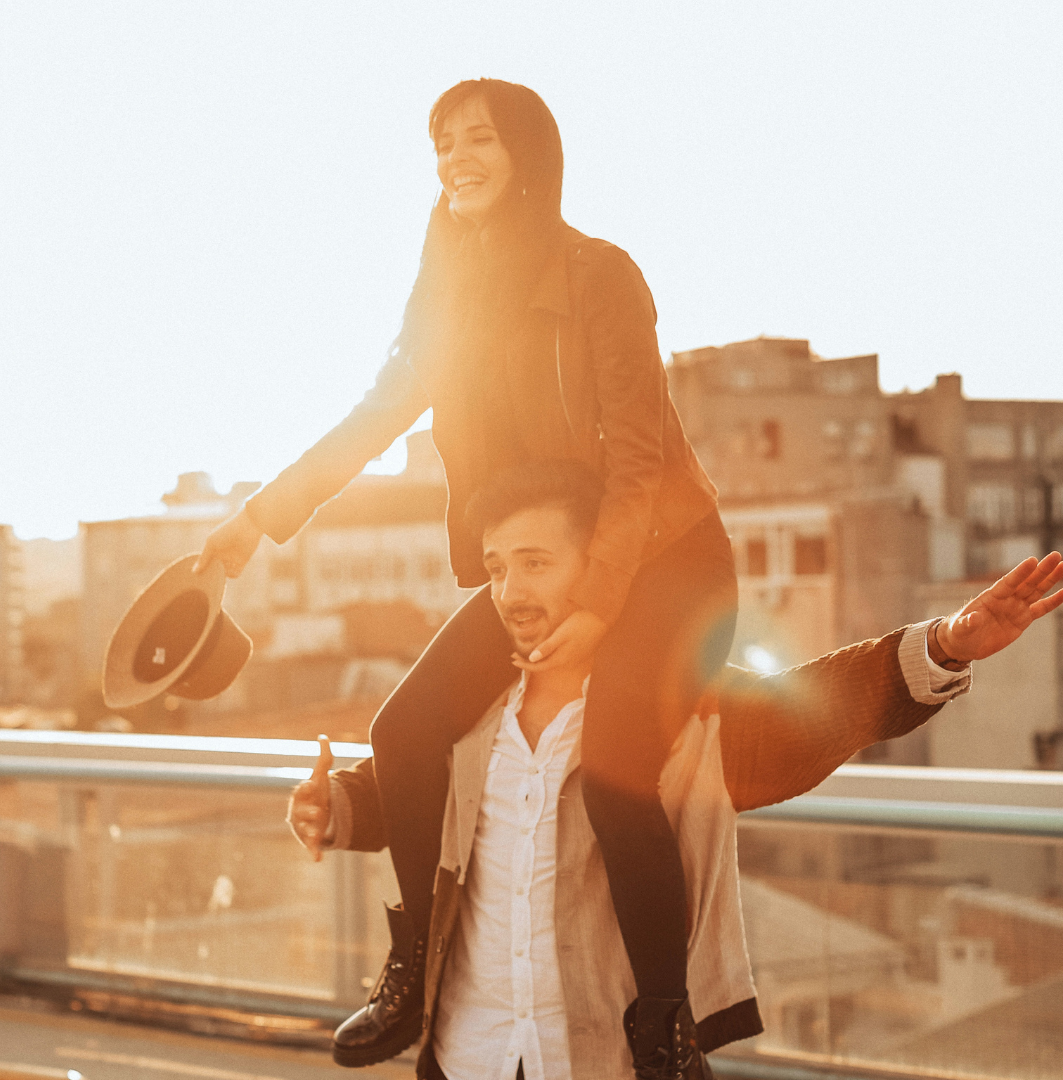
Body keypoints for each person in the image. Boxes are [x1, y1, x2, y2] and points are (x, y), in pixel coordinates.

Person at [196, 79, 738, 1072]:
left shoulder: (600, 274)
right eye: (441, 143)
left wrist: (603, 601)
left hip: (661, 556)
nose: (455, 157)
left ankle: (664, 1019)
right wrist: (252, 524)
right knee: (404, 729)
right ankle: (414, 969)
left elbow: (637, 463)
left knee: (617, 765)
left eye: (478, 138)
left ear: (530, 153)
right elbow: (366, 423)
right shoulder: (448, 306)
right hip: (539, 561)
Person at [288, 460, 1063, 1080]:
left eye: (534, 562)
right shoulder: (466, 710)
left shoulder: (677, 711)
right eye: (495, 568)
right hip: (467, 1054)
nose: (510, 590)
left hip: (605, 1062)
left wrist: (945, 645)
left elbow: (816, 710)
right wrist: (340, 808)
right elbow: (428, 803)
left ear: (601, 567)